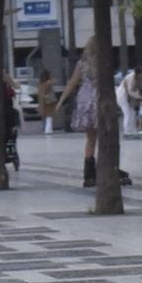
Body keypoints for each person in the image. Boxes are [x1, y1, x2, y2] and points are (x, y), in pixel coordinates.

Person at [54, 36, 102, 187]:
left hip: (84, 99)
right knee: (103, 136)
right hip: (98, 98)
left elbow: (72, 83)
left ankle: (88, 173)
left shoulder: (82, 65)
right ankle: (103, 168)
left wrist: (61, 101)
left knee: (90, 138)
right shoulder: (102, 63)